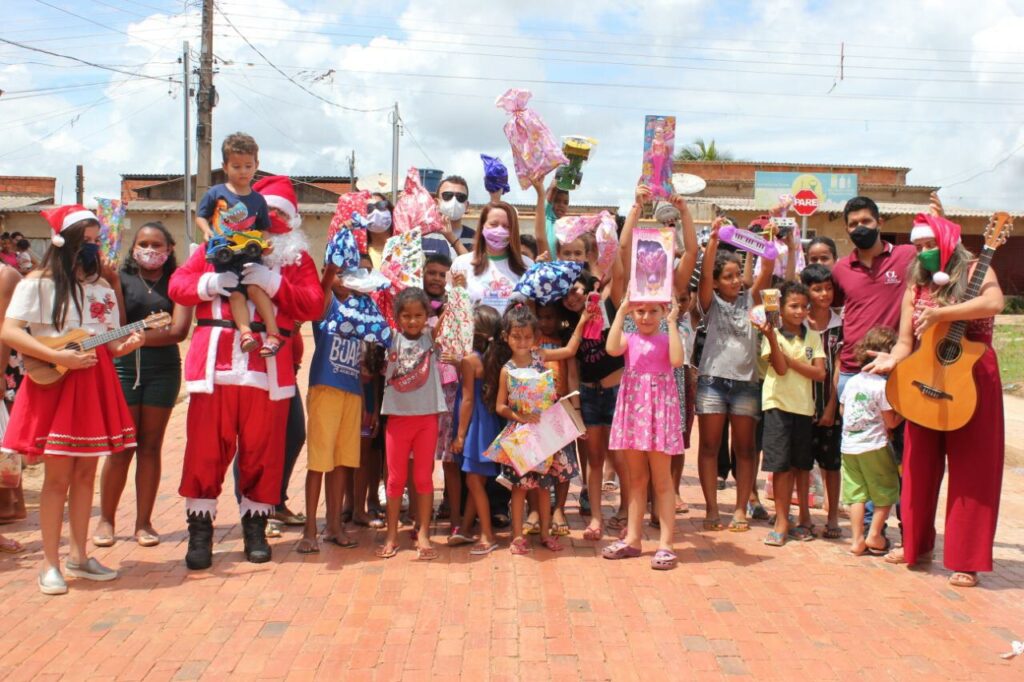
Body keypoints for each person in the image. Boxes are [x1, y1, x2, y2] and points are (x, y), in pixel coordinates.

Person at [169, 176, 323, 570]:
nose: (270, 220)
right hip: (215, 368)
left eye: (279, 214)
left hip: (267, 371)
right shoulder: (212, 247)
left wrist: (274, 282)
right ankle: (200, 535)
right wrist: (209, 282)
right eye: (264, 212)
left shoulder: (296, 259)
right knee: (204, 453)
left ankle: (255, 530)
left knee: (263, 455)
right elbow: (178, 285)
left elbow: (312, 305)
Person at [2, 205, 144, 594]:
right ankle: (50, 563)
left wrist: (129, 343)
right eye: (88, 242)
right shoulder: (37, 282)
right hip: (54, 383)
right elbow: (11, 332)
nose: (94, 250)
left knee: (85, 475)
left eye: (97, 243)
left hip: (94, 383)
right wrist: (57, 356)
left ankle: (79, 557)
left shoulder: (103, 288)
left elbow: (111, 343)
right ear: (65, 242)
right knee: (57, 477)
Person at [866, 213, 1005, 588]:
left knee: (974, 470)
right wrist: (891, 359)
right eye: (920, 248)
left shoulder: (976, 268)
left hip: (973, 376)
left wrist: (944, 312)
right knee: (917, 465)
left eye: (931, 246)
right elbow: (904, 341)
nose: (925, 254)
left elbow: (994, 302)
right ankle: (916, 546)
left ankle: (966, 559)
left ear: (947, 242)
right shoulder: (916, 285)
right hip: (925, 376)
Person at [95, 222, 192, 548]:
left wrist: (135, 339)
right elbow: (116, 328)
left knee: (151, 446)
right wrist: (113, 286)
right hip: (121, 368)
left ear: (169, 249)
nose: (150, 251)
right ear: (133, 247)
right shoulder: (118, 279)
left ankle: (144, 523)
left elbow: (178, 331)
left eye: (157, 245)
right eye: (143, 244)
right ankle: (106, 520)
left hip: (163, 371)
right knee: (121, 447)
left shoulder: (178, 282)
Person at [483, 302, 587, 554]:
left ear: (535, 337)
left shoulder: (540, 356)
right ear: (506, 337)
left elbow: (570, 349)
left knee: (544, 486)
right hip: (521, 435)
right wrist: (519, 416)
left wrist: (583, 320)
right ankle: (517, 536)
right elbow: (499, 406)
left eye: (527, 336)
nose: (522, 341)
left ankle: (545, 533)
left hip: (545, 435)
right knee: (519, 488)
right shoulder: (506, 370)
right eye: (516, 336)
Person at [695, 218, 774, 532]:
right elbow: (703, 277)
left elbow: (766, 269)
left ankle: (741, 509)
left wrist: (769, 240)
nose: (734, 281)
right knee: (709, 447)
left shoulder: (751, 300)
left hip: (746, 384)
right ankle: (712, 510)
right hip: (712, 382)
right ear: (715, 282)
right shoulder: (708, 303)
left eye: (737, 275)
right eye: (727, 277)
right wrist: (714, 240)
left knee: (745, 449)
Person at [601, 293, 686, 569]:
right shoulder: (630, 339)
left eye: (653, 311)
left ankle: (666, 544)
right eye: (641, 312)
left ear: (662, 312)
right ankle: (634, 539)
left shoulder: (666, 338)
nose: (646, 317)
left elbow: (676, 359)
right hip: (634, 412)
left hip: (659, 412)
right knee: (636, 478)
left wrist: (672, 322)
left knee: (662, 480)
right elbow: (611, 348)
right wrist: (621, 312)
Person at [194, 133, 284, 358]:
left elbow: (264, 227)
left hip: (249, 255)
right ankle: (245, 334)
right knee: (235, 294)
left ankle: (273, 335)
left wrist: (264, 244)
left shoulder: (258, 200)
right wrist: (206, 231)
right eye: (236, 166)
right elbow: (201, 216)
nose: (243, 171)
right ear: (224, 166)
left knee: (255, 289)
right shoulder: (216, 193)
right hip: (224, 252)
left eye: (248, 165)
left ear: (256, 165)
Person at [297, 261, 365, 554]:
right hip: (325, 388)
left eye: (352, 273)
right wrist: (328, 273)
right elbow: (321, 294)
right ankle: (310, 528)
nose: (345, 278)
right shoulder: (325, 303)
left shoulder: (363, 309)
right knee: (318, 462)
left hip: (353, 391)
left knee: (341, 462)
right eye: (340, 272)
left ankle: (334, 525)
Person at [377, 287, 448, 561]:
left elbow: (446, 317)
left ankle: (423, 533)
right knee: (395, 480)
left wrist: (457, 291)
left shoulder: (431, 338)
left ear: (426, 317)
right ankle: (392, 535)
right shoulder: (391, 339)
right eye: (406, 316)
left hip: (426, 419)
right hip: (397, 420)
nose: (413, 321)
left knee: (422, 478)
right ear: (397, 317)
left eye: (419, 315)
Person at [757, 281, 826, 546]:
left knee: (801, 465)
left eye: (803, 307)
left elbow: (819, 373)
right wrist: (774, 340)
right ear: (781, 308)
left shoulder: (812, 336)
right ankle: (782, 520)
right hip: (777, 405)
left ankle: (802, 518)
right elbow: (780, 368)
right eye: (793, 306)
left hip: (803, 408)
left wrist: (792, 361)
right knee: (780, 467)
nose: (799, 311)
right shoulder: (771, 334)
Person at [839, 326, 902, 556]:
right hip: (874, 446)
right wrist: (905, 411)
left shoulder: (852, 382)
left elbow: (843, 409)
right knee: (886, 489)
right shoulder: (882, 386)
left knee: (856, 493)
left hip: (849, 447)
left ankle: (856, 540)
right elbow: (891, 422)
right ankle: (874, 534)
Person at [449, 305, 503, 555]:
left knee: (472, 479)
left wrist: (460, 435)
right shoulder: (493, 357)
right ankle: (467, 528)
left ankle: (487, 534)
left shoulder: (470, 361)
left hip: (475, 427)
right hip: (489, 424)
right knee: (477, 480)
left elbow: (468, 400)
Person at [799, 263, 844, 539]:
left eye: (828, 288)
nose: (824, 294)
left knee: (831, 464)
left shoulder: (842, 325)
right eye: (817, 289)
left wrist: (831, 406)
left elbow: (840, 367)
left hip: (830, 404)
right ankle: (804, 517)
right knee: (802, 464)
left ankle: (832, 518)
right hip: (800, 406)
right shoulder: (797, 325)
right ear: (806, 291)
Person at [450, 200, 531, 314]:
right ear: (482, 226)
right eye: (493, 224)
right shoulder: (461, 263)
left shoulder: (528, 266)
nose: (499, 231)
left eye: (506, 226)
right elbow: (451, 309)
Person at [426, 175, 473, 257]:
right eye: (447, 196)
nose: (454, 201)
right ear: (436, 203)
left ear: (466, 206)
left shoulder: (477, 239)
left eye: (460, 197)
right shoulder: (424, 237)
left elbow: (474, 268)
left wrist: (451, 238)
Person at [365, 194, 394, 269]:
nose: (376, 212)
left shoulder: (407, 248)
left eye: (380, 205)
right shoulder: (358, 253)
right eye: (369, 208)